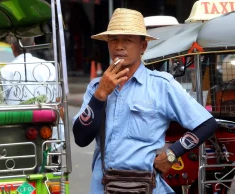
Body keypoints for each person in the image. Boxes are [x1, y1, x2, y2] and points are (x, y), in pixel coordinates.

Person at [72, 8, 217, 194]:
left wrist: (172, 154)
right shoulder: (95, 87)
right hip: (103, 187)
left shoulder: (161, 86)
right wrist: (101, 95)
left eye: (128, 40)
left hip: (147, 187)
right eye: (114, 39)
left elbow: (206, 123)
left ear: (142, 47)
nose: (119, 46)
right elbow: (81, 138)